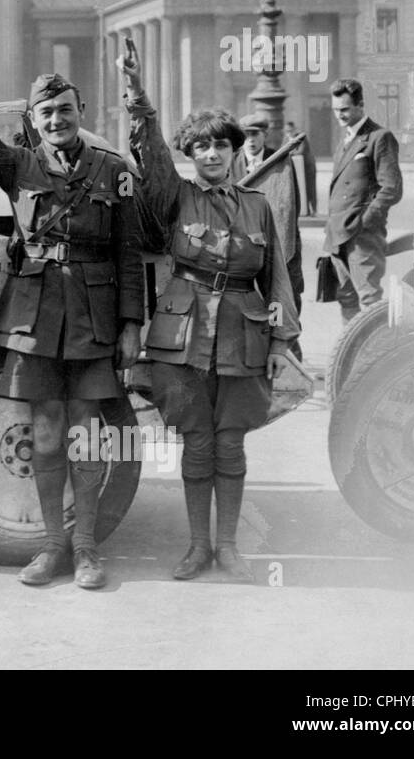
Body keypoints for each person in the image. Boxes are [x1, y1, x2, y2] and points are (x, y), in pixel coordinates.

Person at [0, 13, 143, 590]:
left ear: (82, 115)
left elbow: (128, 254)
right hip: (33, 321)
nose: (57, 120)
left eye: (66, 111)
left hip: (93, 320)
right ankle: (52, 547)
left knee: (84, 436)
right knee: (47, 436)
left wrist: (132, 324)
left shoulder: (114, 172)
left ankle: (85, 550)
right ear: (33, 121)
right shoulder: (19, 165)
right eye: (46, 113)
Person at [120, 41, 299, 583]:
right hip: (185, 334)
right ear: (190, 154)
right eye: (201, 147)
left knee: (231, 442)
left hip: (242, 334)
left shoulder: (258, 206)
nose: (213, 155)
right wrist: (138, 97)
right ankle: (198, 547)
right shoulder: (177, 198)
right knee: (196, 442)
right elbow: (150, 157)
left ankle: (229, 548)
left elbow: (278, 280)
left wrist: (279, 343)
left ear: (235, 152)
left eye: (222, 146)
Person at [324, 78, 402, 322]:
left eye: (345, 109)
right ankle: (353, 358)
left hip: (361, 236)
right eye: (336, 110)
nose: (340, 116)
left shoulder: (379, 137)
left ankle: (376, 358)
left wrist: (364, 223)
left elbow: (391, 188)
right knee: (346, 299)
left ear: (361, 105)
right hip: (337, 236)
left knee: (369, 301)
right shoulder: (345, 141)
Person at [232, 113, 304, 318]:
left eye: (256, 134)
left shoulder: (281, 162)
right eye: (246, 135)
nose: (251, 140)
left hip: (278, 245)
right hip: (246, 247)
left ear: (265, 135)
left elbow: (291, 206)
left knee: (283, 305)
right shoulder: (232, 163)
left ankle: (288, 347)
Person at [285, 120, 318, 216]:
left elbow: (301, 151)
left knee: (310, 189)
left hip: (308, 168)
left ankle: (314, 210)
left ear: (295, 130)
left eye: (290, 131)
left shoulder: (301, 137)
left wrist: (289, 153)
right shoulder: (287, 139)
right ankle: (305, 210)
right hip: (298, 169)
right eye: (287, 131)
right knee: (301, 189)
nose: (289, 133)